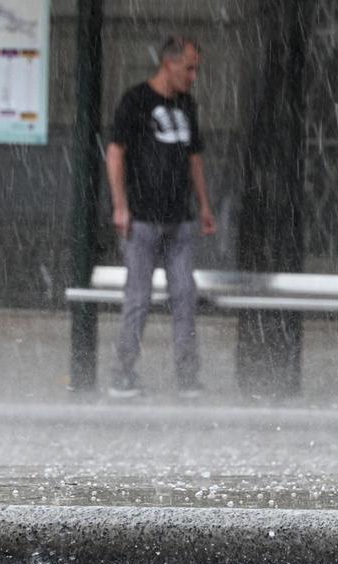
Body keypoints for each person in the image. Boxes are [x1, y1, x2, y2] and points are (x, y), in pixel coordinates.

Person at [106, 35, 217, 399]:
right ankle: (123, 373)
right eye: (189, 68)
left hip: (179, 219)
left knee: (185, 295)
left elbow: (194, 158)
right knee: (138, 298)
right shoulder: (136, 101)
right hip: (142, 218)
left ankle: (187, 375)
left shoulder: (187, 104)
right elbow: (116, 154)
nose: (193, 76)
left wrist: (203, 205)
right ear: (169, 64)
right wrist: (121, 205)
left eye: (196, 69)